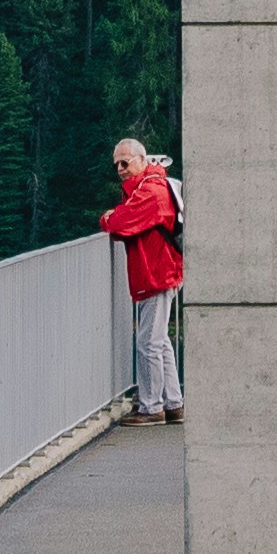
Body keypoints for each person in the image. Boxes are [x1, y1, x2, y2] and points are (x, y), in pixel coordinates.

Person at [102, 137, 185, 421]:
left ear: (143, 160)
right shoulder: (147, 187)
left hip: (158, 273)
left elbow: (118, 223)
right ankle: (173, 403)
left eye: (126, 162)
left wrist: (109, 218)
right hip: (160, 272)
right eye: (117, 164)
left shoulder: (150, 191)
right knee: (159, 341)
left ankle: (152, 407)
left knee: (148, 343)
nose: (121, 169)